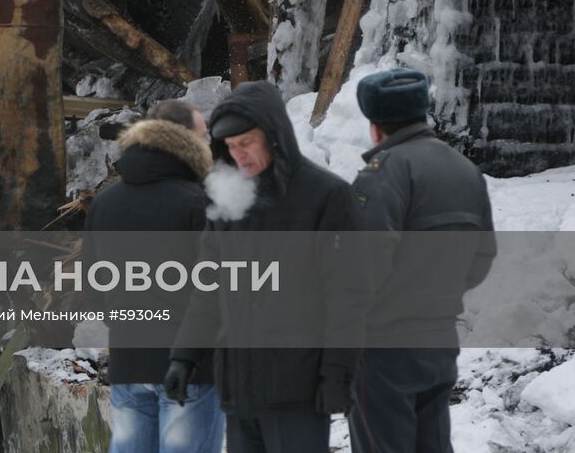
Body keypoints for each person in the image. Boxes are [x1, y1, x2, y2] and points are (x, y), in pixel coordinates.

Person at [166, 81, 368, 453]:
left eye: (247, 143)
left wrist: (339, 375)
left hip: (299, 389)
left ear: (274, 136)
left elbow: (348, 297)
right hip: (240, 386)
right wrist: (184, 356)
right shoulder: (229, 200)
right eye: (230, 147)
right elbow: (208, 290)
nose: (238, 154)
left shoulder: (326, 196)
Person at [348, 68, 495, 453]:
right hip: (440, 339)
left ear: (375, 125)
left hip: (383, 348)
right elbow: (483, 256)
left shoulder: (382, 174)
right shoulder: (466, 171)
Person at [87, 99, 224, 453]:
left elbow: (92, 286)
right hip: (192, 367)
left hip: (129, 361)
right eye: (203, 135)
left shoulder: (105, 203)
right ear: (185, 141)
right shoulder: (200, 203)